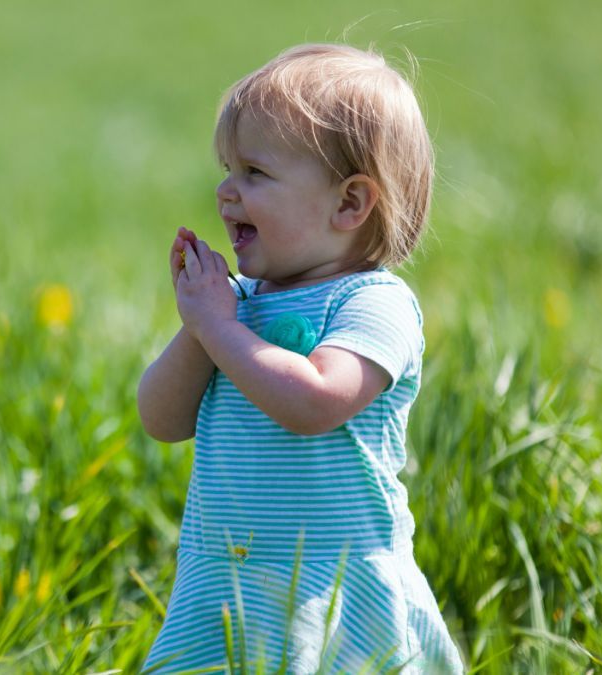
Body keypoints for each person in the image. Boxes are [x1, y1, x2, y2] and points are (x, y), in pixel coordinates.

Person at [138, 44, 464, 673]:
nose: (225, 191)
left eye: (254, 173)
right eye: (227, 169)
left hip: (336, 585)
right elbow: (162, 419)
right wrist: (200, 328)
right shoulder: (237, 308)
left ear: (349, 204)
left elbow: (316, 401)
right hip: (226, 582)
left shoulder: (374, 303)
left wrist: (220, 328)